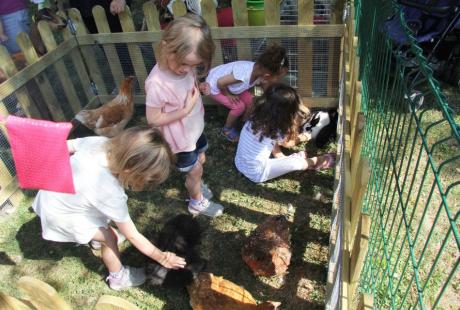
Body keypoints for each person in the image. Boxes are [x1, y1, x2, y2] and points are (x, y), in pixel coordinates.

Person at [32, 126, 187, 291]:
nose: (145, 184)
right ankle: (118, 277)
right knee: (110, 237)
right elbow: (132, 235)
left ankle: (94, 237)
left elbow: (63, 146)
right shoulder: (110, 192)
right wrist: (161, 257)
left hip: (51, 194)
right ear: (131, 171)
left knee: (97, 210)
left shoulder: (99, 143)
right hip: (61, 216)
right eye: (145, 180)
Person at [145, 13, 224, 218]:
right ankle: (196, 202)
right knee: (194, 168)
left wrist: (201, 86)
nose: (187, 70)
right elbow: (153, 119)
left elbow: (188, 85)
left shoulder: (184, 68)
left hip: (194, 131)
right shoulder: (157, 84)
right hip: (180, 141)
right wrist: (185, 111)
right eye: (184, 64)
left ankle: (195, 182)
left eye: (194, 66)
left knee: (201, 159)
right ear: (166, 47)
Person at [235, 83, 336, 183]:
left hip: (240, 163)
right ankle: (320, 161)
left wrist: (280, 156)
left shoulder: (256, 117)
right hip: (257, 172)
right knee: (296, 163)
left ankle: (281, 158)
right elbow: (289, 143)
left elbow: (272, 140)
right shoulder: (277, 128)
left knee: (270, 141)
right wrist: (305, 136)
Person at [204, 43, 289, 142]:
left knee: (253, 100)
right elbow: (220, 82)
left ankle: (245, 124)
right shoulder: (244, 75)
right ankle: (226, 129)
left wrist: (267, 97)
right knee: (239, 106)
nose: (279, 80)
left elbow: (263, 90)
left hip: (232, 87)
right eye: (278, 78)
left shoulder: (259, 72)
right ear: (267, 76)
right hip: (214, 87)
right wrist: (228, 95)